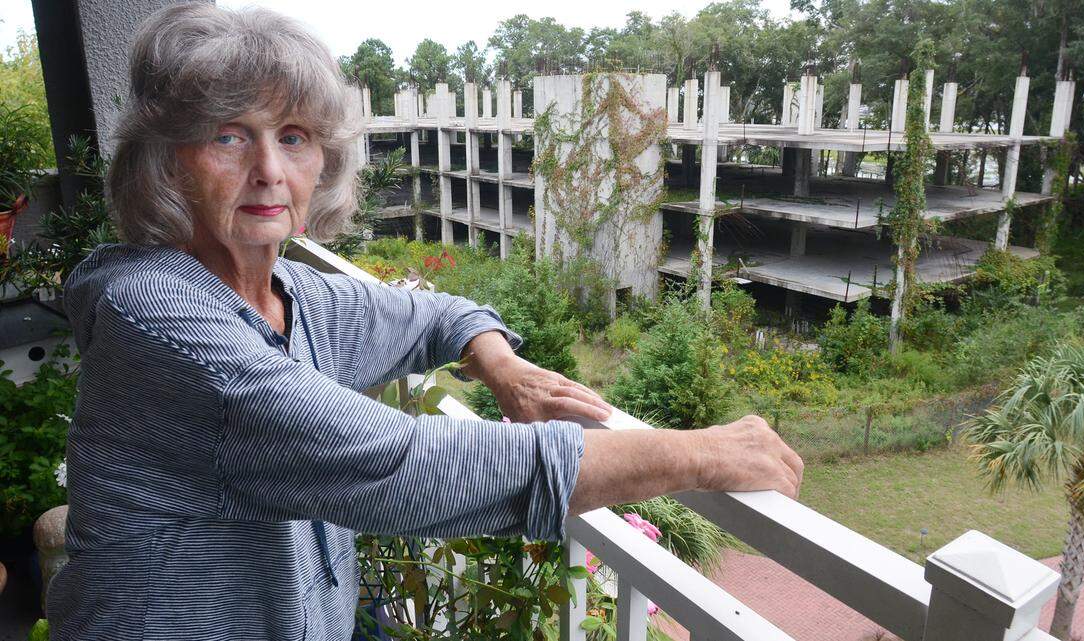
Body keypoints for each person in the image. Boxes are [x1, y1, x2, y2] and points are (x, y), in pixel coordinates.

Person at [47, 4, 803, 639]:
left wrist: (500, 365)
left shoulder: (294, 294)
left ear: (324, 162)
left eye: (295, 137)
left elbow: (438, 311)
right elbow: (406, 466)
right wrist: (698, 454)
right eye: (229, 134)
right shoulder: (161, 321)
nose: (270, 170)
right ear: (170, 162)